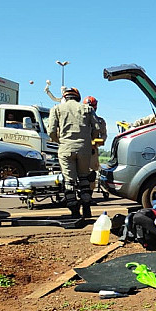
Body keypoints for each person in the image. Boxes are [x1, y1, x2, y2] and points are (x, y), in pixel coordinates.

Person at [48, 88, 101, 218]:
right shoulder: (88, 109)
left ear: (65, 97)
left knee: (69, 181)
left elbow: (51, 131)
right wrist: (90, 139)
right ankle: (87, 207)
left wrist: (60, 141)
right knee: (84, 178)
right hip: (84, 148)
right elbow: (97, 128)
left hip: (65, 148)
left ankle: (74, 211)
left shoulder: (56, 109)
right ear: (78, 97)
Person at [83, 96, 108, 172]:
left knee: (92, 174)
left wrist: (99, 141)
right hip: (80, 149)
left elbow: (104, 134)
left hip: (92, 151)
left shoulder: (100, 121)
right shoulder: (78, 120)